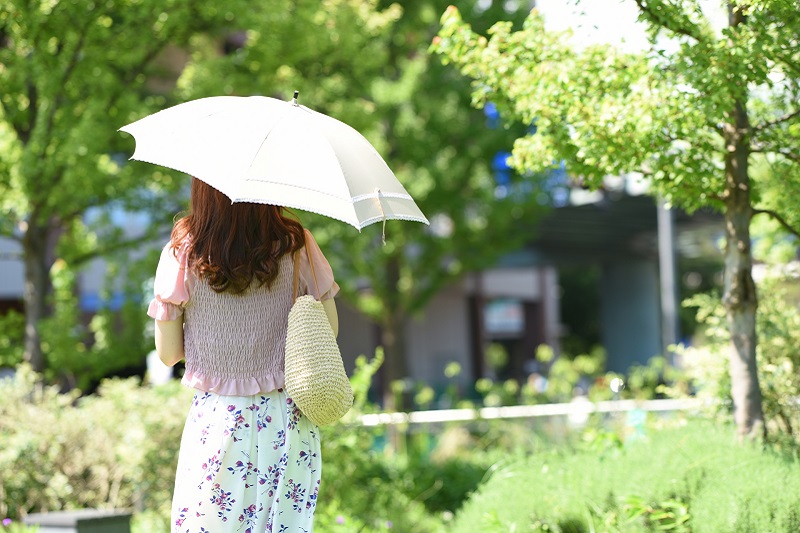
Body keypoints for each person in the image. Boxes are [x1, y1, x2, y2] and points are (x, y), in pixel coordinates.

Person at [148, 177, 339, 533]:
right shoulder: (296, 244)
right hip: (286, 419)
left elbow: (169, 353)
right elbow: (328, 332)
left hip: (218, 420)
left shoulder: (183, 250)